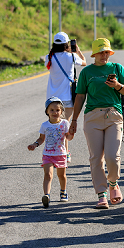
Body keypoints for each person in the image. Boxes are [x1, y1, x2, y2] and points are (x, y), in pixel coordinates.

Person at [69, 38, 124, 209]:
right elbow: (80, 96)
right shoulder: (86, 72)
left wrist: (117, 85)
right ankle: (101, 194)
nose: (104, 55)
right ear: (94, 54)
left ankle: (113, 183)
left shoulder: (117, 68)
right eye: (101, 52)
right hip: (92, 117)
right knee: (96, 158)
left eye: (106, 52)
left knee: (112, 156)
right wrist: (73, 120)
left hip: (113, 115)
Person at [44, 31, 86, 162]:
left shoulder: (48, 57)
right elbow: (84, 62)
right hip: (67, 97)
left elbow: (49, 67)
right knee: (64, 125)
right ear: (67, 44)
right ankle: (64, 153)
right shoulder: (71, 57)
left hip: (52, 98)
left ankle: (55, 151)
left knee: (55, 125)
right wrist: (77, 50)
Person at [28, 97, 74, 207]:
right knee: (48, 175)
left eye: (57, 110)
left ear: (62, 111)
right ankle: (46, 196)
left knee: (61, 175)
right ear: (47, 112)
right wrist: (35, 144)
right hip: (48, 155)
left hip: (61, 154)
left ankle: (63, 192)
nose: (55, 112)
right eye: (52, 110)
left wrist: (71, 134)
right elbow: (41, 138)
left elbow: (68, 138)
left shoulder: (65, 123)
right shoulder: (45, 125)